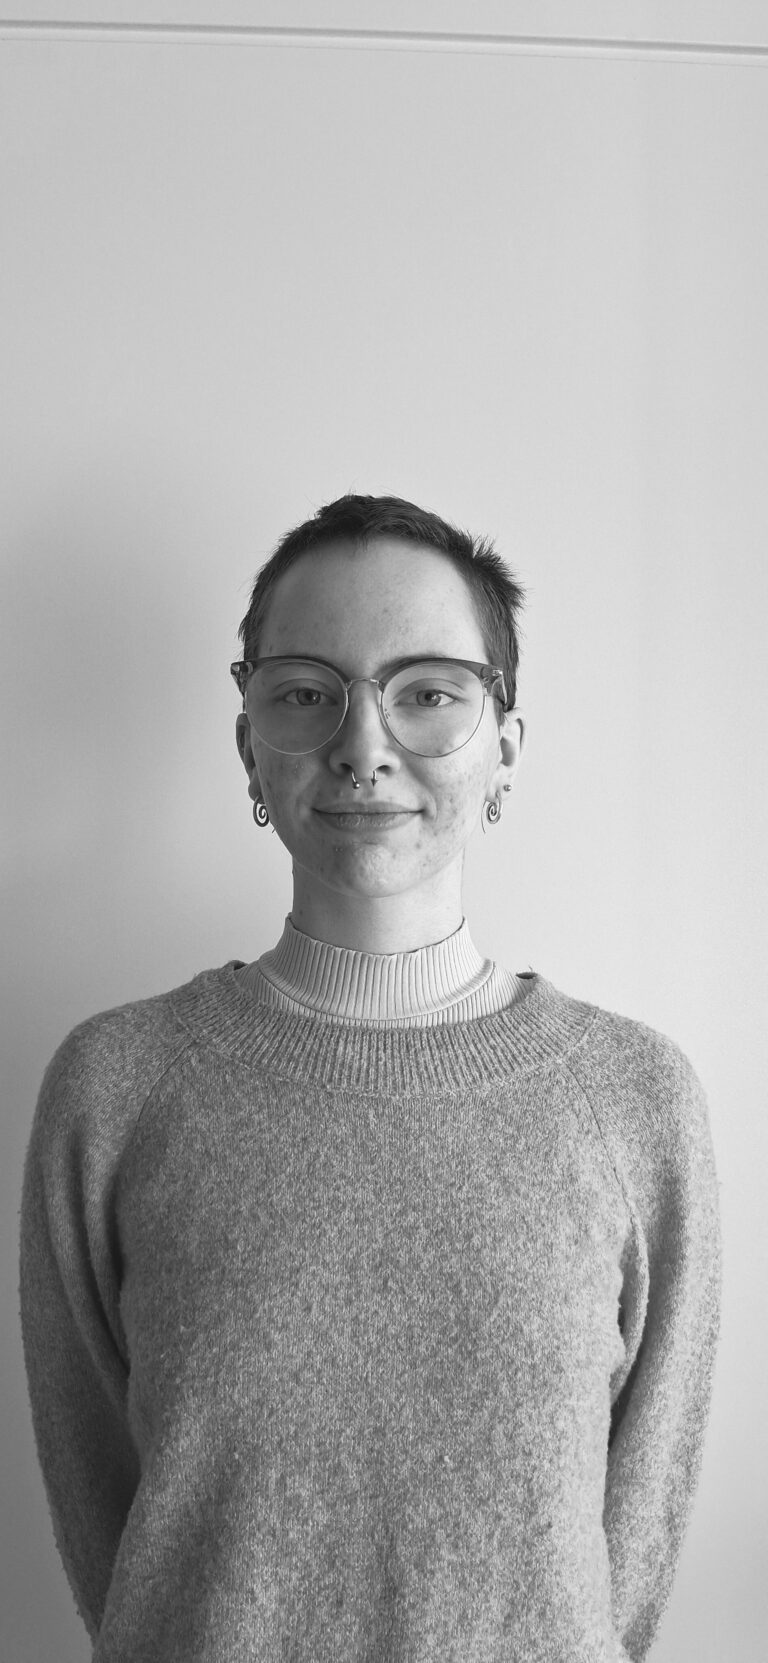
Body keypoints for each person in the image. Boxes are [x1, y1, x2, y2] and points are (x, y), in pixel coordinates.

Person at [19, 493, 722, 1663]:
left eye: (428, 692)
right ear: (249, 742)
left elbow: (626, 1565)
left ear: (506, 745)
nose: (363, 742)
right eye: (307, 692)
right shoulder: (116, 1088)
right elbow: (112, 1530)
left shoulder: (633, 1100)